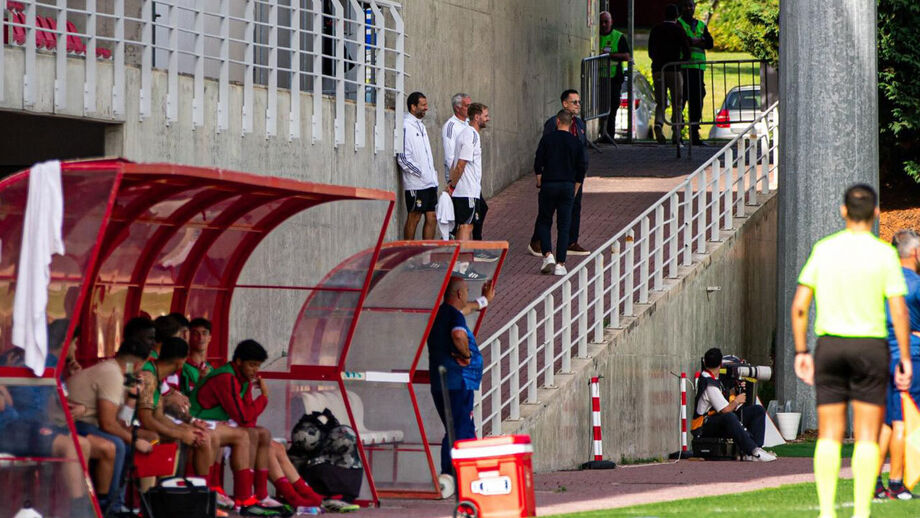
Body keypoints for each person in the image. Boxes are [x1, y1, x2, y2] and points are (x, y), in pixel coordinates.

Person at [791, 184, 911, 518]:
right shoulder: (884, 255)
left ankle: (827, 512)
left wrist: (801, 350)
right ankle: (860, 512)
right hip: (870, 347)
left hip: (830, 345)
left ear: (843, 211)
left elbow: (800, 306)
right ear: (875, 214)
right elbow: (899, 312)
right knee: (867, 435)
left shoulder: (824, 249)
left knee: (829, 434)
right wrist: (903, 357)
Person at [192, 340, 334, 513]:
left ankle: (263, 495)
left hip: (219, 424)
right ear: (238, 362)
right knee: (248, 436)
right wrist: (264, 397)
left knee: (263, 434)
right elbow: (244, 417)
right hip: (198, 421)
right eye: (251, 365)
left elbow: (249, 418)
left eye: (258, 366)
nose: (255, 370)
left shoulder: (243, 379)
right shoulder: (226, 377)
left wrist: (255, 398)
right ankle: (246, 498)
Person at [67, 337, 154, 512]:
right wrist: (135, 441)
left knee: (130, 446)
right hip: (72, 423)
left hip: (89, 424)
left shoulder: (125, 372)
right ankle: (109, 506)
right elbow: (108, 424)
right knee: (119, 445)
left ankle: (118, 502)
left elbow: (123, 422)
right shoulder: (111, 374)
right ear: (139, 364)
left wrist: (132, 397)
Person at [428, 276, 495, 493]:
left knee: (454, 428)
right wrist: (466, 353)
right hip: (457, 382)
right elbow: (458, 335)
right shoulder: (453, 318)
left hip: (441, 383)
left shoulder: (441, 313)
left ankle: (452, 476)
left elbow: (467, 309)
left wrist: (485, 300)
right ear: (459, 294)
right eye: (466, 291)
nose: (467, 295)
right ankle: (456, 476)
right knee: (461, 429)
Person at [875, 229, 920, 500]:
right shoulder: (915, 283)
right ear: (915, 253)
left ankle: (874, 482)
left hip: (881, 356)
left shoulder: (883, 283)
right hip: (910, 357)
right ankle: (897, 483)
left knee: (887, 423)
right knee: (903, 421)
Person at [135, 337, 217, 478]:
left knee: (200, 436)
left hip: (141, 426)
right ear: (181, 361)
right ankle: (158, 492)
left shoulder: (157, 374)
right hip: (131, 428)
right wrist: (180, 434)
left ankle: (200, 491)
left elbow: (159, 415)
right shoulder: (148, 376)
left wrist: (186, 428)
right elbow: (146, 420)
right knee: (162, 437)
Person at [528, 90, 590, 258]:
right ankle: (538, 241)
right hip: (556, 175)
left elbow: (582, 149)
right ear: (565, 104)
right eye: (574, 102)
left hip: (573, 173)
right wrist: (541, 177)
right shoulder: (552, 124)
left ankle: (571, 241)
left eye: (579, 102)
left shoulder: (580, 125)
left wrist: (580, 175)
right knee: (547, 212)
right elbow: (544, 150)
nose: (578, 105)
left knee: (574, 207)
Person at [691, 347, 775, 462]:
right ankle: (753, 450)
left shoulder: (713, 378)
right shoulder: (709, 383)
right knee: (729, 417)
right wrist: (737, 401)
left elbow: (723, 401)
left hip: (715, 419)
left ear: (705, 362)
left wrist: (735, 391)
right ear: (720, 364)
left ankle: (756, 448)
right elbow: (725, 410)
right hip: (704, 427)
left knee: (757, 411)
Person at [532, 110, 586, 276]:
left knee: (544, 220)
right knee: (564, 225)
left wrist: (539, 180)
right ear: (571, 124)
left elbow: (538, 161)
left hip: (549, 184)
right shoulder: (576, 142)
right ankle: (561, 264)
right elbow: (581, 168)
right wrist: (575, 188)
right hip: (567, 186)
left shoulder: (547, 139)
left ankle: (547, 255)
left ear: (557, 121)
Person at [397, 91, 439, 240]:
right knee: (414, 217)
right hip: (416, 184)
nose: (426, 108)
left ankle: (426, 255)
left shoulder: (421, 126)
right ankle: (408, 255)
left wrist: (431, 174)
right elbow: (402, 158)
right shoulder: (405, 126)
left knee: (432, 217)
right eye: (423, 105)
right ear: (413, 107)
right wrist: (420, 172)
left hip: (429, 182)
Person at [448, 103, 490, 242]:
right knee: (466, 226)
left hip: (467, 190)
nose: (488, 119)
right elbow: (460, 165)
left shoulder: (467, 134)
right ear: (477, 117)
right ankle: (462, 262)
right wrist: (452, 187)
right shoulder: (470, 135)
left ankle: (460, 260)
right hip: (467, 190)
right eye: (485, 116)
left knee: (465, 225)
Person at [648, 4, 689, 144]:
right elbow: (686, 49)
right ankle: (676, 132)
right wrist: (683, 61)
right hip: (674, 69)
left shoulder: (656, 29)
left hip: (658, 70)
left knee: (661, 102)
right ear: (677, 16)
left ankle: (658, 124)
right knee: (677, 103)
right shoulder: (679, 29)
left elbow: (650, 52)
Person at [677, 0, 714, 146]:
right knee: (681, 100)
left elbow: (710, 43)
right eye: (685, 5)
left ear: (694, 8)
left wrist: (696, 41)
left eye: (691, 6)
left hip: (698, 69)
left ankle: (694, 133)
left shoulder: (700, 25)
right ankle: (678, 134)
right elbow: (683, 42)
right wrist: (699, 41)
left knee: (697, 100)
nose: (688, 8)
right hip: (683, 68)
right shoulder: (678, 24)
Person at [598, 11, 630, 143]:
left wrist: (609, 55)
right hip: (599, 78)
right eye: (602, 22)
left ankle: (609, 134)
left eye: (606, 21)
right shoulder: (595, 35)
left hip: (614, 78)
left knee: (612, 107)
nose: (604, 24)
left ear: (611, 22)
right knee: (600, 108)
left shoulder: (618, 36)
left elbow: (626, 56)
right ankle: (602, 133)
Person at [180, 317, 215, 395]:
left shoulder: (211, 369)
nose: (201, 338)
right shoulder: (182, 366)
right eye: (196, 333)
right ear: (189, 337)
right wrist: (201, 382)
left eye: (204, 333)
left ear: (210, 338)